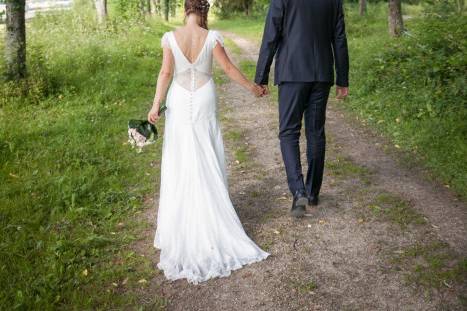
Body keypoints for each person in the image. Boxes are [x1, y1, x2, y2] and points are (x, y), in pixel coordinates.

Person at [147, 0, 269, 284]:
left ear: (185, 11)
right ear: (203, 12)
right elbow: (227, 68)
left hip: (178, 98)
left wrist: (155, 106)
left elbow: (166, 73)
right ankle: (212, 213)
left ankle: (182, 220)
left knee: (181, 156)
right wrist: (252, 88)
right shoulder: (211, 37)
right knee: (207, 152)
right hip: (203, 98)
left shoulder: (170, 38)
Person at [255, 0, 350, 218]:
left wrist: (261, 77)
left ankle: (299, 192)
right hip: (322, 74)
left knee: (289, 132)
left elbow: (271, 35)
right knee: (315, 132)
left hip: (292, 73)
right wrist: (342, 79)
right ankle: (313, 192)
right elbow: (339, 39)